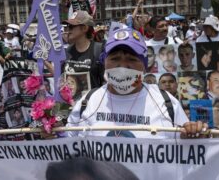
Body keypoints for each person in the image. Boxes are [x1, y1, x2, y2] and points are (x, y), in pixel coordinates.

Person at [67, 28, 207, 139]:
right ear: (104, 62)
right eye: (115, 58)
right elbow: (66, 146)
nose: (123, 66)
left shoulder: (166, 103)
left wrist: (192, 134)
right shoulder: (87, 102)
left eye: (131, 59)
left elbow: (185, 151)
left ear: (145, 65)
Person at [63, 10, 104, 89]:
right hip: (71, 101)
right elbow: (61, 78)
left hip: (92, 101)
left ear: (84, 28)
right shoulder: (67, 51)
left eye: (71, 26)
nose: (68, 29)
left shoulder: (99, 50)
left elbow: (105, 83)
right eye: (67, 26)